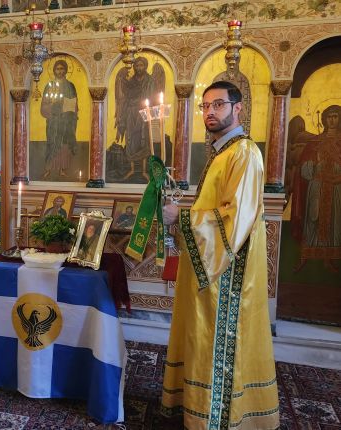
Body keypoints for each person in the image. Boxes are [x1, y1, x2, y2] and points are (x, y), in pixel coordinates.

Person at [160, 81, 279, 429]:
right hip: (209, 268)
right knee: (198, 337)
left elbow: (235, 219)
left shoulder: (244, 153)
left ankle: (217, 418)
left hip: (227, 273)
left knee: (217, 341)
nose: (210, 112)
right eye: (205, 106)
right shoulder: (222, 153)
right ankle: (194, 407)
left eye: (219, 105)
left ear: (237, 108)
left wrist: (182, 218)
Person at [290, 104, 341, 273]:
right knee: (312, 219)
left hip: (336, 188)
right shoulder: (314, 142)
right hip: (317, 187)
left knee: (333, 222)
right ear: (324, 119)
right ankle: (304, 257)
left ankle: (329, 259)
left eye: (335, 116)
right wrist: (311, 165)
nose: (332, 120)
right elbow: (304, 167)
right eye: (329, 117)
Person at [114, 57, 156, 180]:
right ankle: (132, 170)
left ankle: (144, 171)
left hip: (144, 114)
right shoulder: (131, 81)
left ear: (145, 66)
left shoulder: (150, 81)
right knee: (131, 140)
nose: (139, 68)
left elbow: (153, 98)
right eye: (137, 66)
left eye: (141, 65)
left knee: (144, 140)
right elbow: (126, 98)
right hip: (131, 113)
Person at [40, 59, 78, 180]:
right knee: (52, 144)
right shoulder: (49, 86)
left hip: (67, 121)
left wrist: (71, 109)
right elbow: (44, 106)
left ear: (66, 70)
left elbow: (75, 104)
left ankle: (62, 170)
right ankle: (48, 169)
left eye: (62, 69)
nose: (60, 71)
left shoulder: (71, 86)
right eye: (58, 69)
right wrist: (53, 105)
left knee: (65, 145)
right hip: (54, 122)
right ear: (54, 70)